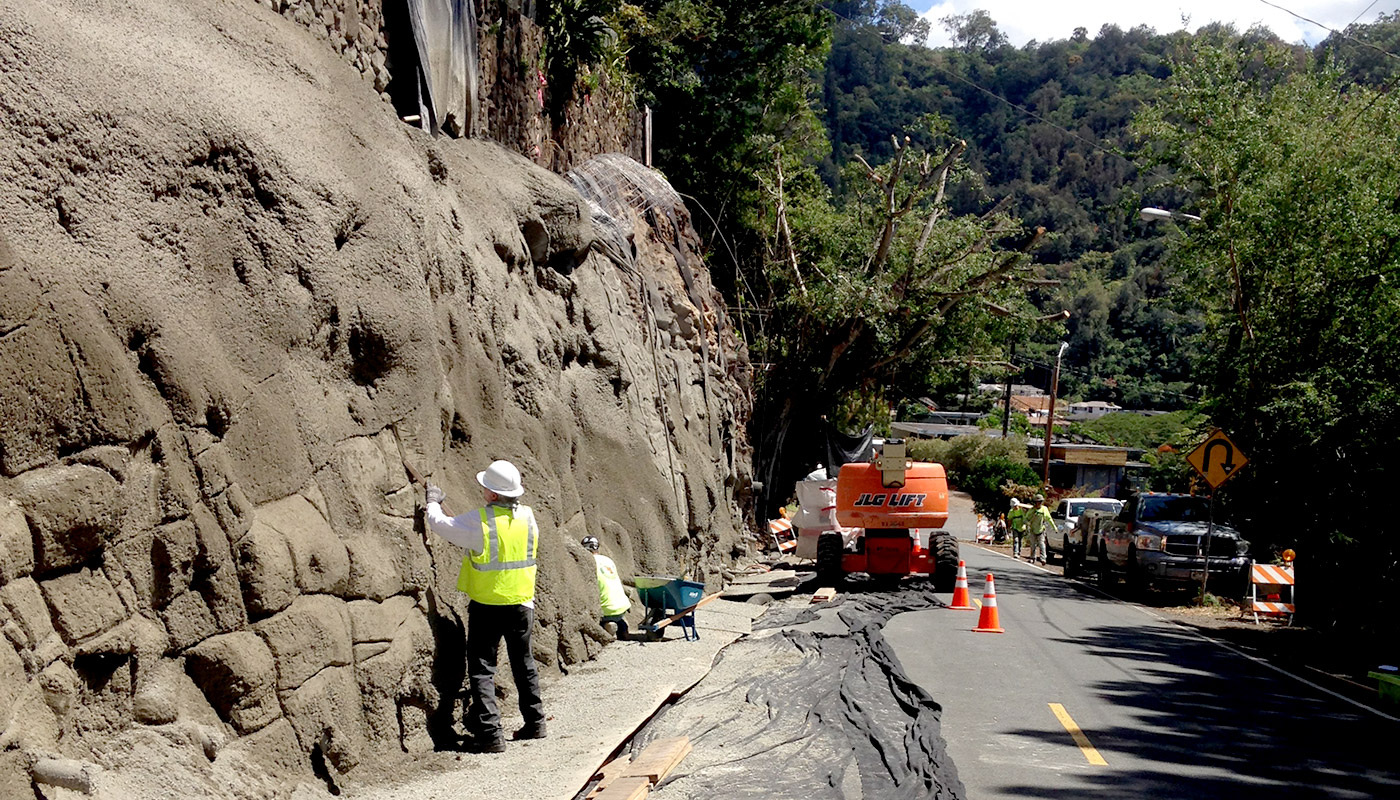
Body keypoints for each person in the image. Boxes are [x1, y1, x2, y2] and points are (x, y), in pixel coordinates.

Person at [425, 460, 546, 753]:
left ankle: (491, 735)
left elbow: (441, 525)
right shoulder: (528, 517)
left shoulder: (479, 521)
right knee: (524, 663)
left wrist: (432, 503)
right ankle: (536, 722)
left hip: (488, 605)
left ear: (492, 494)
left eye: (485, 487)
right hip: (521, 603)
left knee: (481, 669)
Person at [582, 536, 631, 637]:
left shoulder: (587, 563)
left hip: (605, 611)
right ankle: (622, 627)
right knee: (617, 615)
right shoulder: (608, 560)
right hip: (622, 606)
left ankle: (608, 625)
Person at [1027, 494, 1055, 565]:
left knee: (1042, 544)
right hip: (1033, 530)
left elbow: (1049, 518)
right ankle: (1032, 558)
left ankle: (1043, 558)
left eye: (1040, 502)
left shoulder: (1044, 509)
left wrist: (1054, 527)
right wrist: (1026, 524)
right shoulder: (1032, 510)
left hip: (1041, 530)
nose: (1039, 503)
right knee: (1033, 545)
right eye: (1038, 502)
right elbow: (1026, 518)